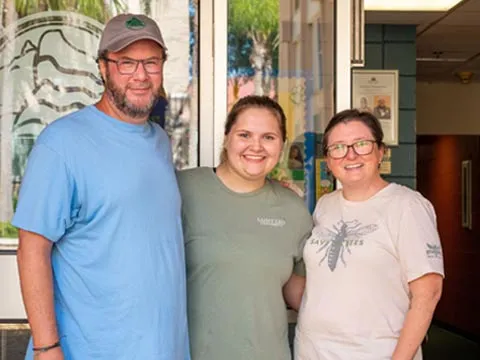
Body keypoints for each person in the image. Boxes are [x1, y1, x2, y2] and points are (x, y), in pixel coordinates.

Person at [13, 14, 190, 360]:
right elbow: (31, 250)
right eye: (126, 62)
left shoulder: (159, 142)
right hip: (91, 350)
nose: (141, 75)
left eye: (151, 62)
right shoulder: (61, 144)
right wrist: (47, 349)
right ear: (103, 67)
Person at [294, 109, 444, 360]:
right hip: (312, 351)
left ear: (380, 151)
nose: (350, 154)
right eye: (338, 147)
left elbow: (428, 294)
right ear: (329, 161)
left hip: (375, 353)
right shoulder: (325, 205)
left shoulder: (407, 206)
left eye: (361, 144)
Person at [177, 95, 313, 360]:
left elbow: (301, 296)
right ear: (227, 138)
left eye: (268, 137)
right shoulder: (182, 190)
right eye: (245, 135)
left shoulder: (293, 209)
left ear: (282, 145)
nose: (256, 146)